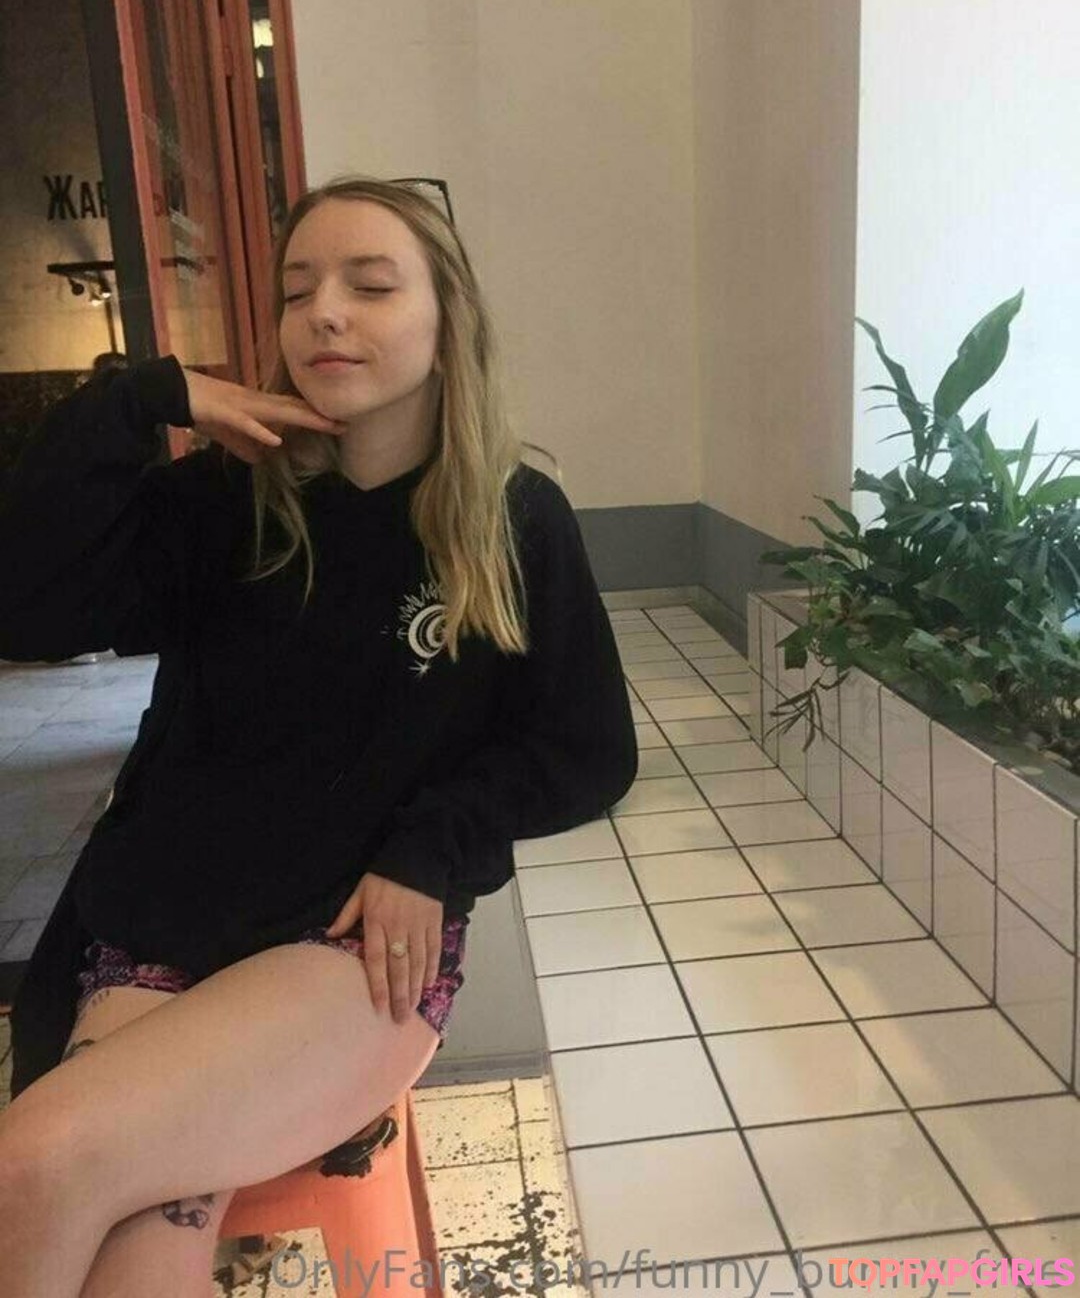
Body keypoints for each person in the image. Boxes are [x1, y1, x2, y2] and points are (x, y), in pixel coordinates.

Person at [0, 175, 637, 1296]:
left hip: (348, 947)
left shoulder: (510, 518)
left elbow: (587, 748)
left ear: (447, 321)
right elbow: (25, 608)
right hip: (165, 926)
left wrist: (434, 843)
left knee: (32, 1164)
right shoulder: (224, 502)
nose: (325, 313)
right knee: (126, 1236)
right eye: (298, 291)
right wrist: (139, 400)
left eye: (371, 285)